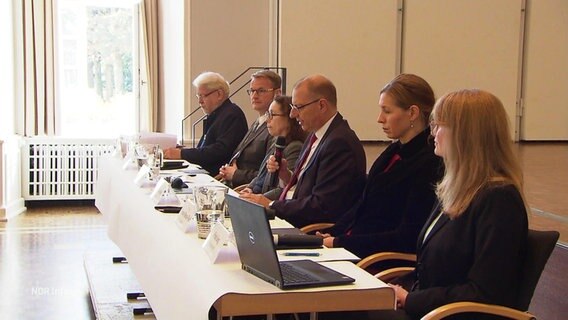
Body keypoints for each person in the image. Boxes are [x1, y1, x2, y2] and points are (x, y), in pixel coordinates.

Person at [322, 89, 529, 320]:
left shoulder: (498, 200)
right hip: (428, 306)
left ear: (467, 135)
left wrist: (410, 299)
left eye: (440, 125)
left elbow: (484, 292)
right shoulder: (454, 190)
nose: (433, 133)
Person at [316, 74, 444, 260]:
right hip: (356, 249)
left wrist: (340, 243)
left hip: (378, 260)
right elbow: (364, 205)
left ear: (412, 113)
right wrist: (332, 233)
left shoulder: (429, 163)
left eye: (387, 111)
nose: (379, 119)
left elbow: (406, 237)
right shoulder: (393, 151)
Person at [241, 74, 366, 228]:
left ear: (321, 105)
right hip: (290, 218)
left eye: (298, 107)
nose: (293, 114)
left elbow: (322, 206)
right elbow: (305, 189)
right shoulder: (315, 135)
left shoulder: (339, 143)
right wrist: (286, 176)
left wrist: (271, 204)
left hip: (308, 229)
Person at [164, 71, 248, 175]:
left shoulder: (232, 115)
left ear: (219, 94)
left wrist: (182, 154)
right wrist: (181, 150)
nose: (200, 101)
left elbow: (219, 151)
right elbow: (204, 149)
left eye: (203, 96)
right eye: (198, 96)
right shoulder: (217, 114)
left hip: (216, 177)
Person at [218, 70, 282, 187]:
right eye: (252, 91)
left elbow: (267, 175)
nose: (255, 95)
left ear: (277, 93)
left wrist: (236, 174)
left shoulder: (276, 128)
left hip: (248, 191)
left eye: (261, 91)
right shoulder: (257, 123)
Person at [239, 95, 307, 197]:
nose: (267, 120)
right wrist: (250, 188)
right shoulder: (275, 143)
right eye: (267, 114)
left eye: (272, 114)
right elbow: (261, 175)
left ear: (289, 117)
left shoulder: (294, 147)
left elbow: (288, 189)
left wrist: (257, 199)